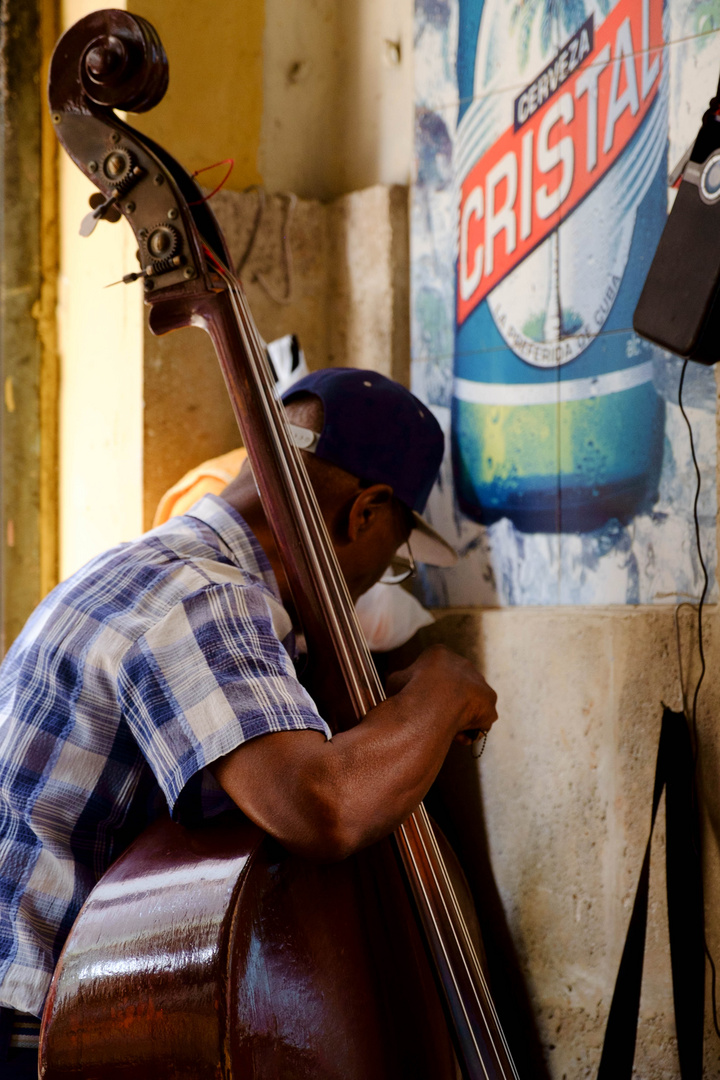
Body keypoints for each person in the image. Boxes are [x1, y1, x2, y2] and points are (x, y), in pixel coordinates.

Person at [0, 368, 498, 1078]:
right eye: (390, 560)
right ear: (364, 512)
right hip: (26, 1025)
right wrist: (442, 691)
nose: (372, 580)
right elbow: (321, 807)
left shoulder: (140, 566)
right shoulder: (205, 596)